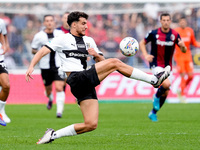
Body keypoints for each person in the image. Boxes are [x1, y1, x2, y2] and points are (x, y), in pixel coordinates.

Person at [25, 11, 170, 144]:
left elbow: (102, 62)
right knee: (115, 62)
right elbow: (42, 51)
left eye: (86, 23)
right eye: (83, 23)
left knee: (91, 124)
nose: (86, 26)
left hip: (84, 82)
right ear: (74, 24)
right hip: (76, 78)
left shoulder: (89, 41)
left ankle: (52, 135)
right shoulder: (62, 39)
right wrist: (31, 66)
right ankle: (153, 80)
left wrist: (96, 55)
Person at [139, 13, 187, 122]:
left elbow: (183, 51)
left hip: (168, 66)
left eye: (167, 20)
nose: (165, 22)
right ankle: (156, 97)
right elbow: (142, 43)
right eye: (163, 20)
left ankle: (153, 113)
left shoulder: (175, 35)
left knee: (166, 92)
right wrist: (146, 55)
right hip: (156, 65)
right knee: (166, 84)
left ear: (170, 21)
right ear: (160, 21)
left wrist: (183, 47)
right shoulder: (153, 33)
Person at [31, 15, 65, 118]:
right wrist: (41, 52)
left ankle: (59, 112)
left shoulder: (60, 34)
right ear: (44, 23)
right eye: (47, 21)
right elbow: (33, 50)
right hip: (45, 67)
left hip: (58, 66)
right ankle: (50, 99)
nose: (49, 22)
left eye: (51, 20)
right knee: (48, 90)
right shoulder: (39, 36)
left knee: (60, 88)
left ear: (54, 23)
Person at [174, 15, 200, 102]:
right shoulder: (176, 31)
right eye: (181, 22)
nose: (183, 23)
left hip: (188, 56)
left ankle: (181, 89)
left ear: (186, 22)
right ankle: (183, 95)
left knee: (191, 76)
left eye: (184, 21)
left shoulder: (190, 31)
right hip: (179, 56)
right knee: (182, 75)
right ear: (179, 23)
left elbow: (194, 42)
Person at [0, 19, 11, 126]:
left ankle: (1, 111)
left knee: (6, 85)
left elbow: (2, 34)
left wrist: (5, 44)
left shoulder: (1, 22)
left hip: (0, 60)